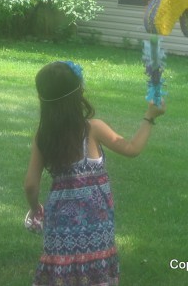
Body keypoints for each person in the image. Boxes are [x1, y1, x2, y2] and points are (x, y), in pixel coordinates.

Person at [24, 61, 166, 286]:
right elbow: (131, 149)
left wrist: (35, 209)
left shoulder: (43, 136)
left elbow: (31, 185)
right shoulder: (93, 128)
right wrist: (150, 116)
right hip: (97, 223)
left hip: (60, 225)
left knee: (61, 269)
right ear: (79, 93)